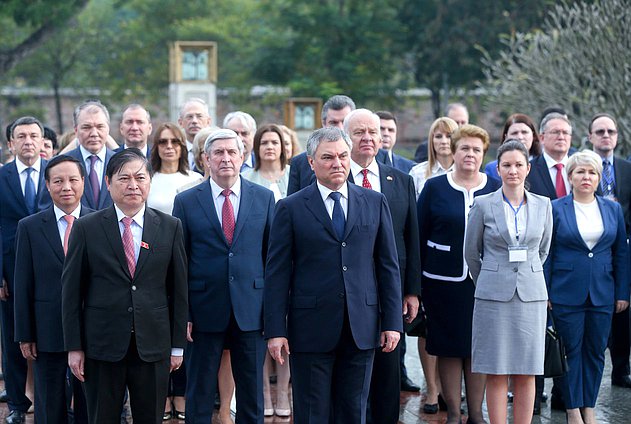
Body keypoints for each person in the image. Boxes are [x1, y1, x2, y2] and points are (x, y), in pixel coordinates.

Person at [264, 127, 402, 424]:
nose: (337, 163)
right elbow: (277, 274)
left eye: (342, 156)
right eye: (327, 157)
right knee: (313, 412)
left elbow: (387, 266)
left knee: (354, 410)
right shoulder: (290, 208)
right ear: (311, 163)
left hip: (361, 327)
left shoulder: (374, 202)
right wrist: (276, 330)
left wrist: (392, 322)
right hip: (310, 328)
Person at [61, 148, 188, 424]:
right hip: (102, 344)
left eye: (140, 178)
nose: (133, 185)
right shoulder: (87, 227)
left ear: (149, 182)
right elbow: (71, 293)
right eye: (124, 178)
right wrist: (74, 346)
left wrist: (177, 346)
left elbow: (178, 291)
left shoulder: (170, 226)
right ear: (108, 182)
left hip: (153, 343)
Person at [172, 129, 275, 423]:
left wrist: (272, 311)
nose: (226, 158)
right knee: (200, 391)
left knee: (252, 392)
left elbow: (272, 259)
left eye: (232, 152)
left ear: (243, 157)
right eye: (218, 153)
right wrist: (185, 313)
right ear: (206, 159)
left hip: (252, 309)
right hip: (204, 309)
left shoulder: (264, 198)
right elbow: (180, 262)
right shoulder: (187, 200)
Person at [465, 140, 552, 424]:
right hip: (493, 297)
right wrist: (492, 278)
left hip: (530, 295)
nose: (513, 170)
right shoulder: (483, 204)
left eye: (518, 165)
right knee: (497, 369)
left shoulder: (543, 205)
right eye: (506, 165)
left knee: (527, 370)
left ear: (528, 168)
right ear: (498, 169)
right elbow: (471, 253)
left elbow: (543, 250)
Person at [417, 124, 500, 424]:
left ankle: (476, 414)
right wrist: (415, 287)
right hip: (442, 282)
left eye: (477, 150)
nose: (470, 154)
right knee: (448, 347)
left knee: (477, 348)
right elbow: (418, 235)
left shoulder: (494, 188)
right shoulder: (435, 187)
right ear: (453, 151)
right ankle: (452, 412)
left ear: (483, 155)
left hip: (484, 283)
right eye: (464, 148)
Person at [344, 109, 421, 422]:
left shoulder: (400, 180)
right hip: (346, 290)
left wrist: (412, 290)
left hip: (391, 290)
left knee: (388, 370)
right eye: (359, 132)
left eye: (372, 132)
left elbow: (411, 237)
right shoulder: (332, 177)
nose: (367, 138)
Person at [545, 150, 629, 424]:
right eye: (580, 172)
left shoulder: (612, 209)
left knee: (595, 352)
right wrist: (545, 292)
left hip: (603, 293)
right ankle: (572, 409)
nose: (586, 176)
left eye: (592, 172)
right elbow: (547, 253)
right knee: (570, 351)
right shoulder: (556, 208)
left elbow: (621, 254)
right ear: (570, 177)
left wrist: (622, 293)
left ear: (598, 178)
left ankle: (588, 407)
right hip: (565, 292)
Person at [14, 155, 92, 424]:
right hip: (47, 328)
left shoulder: (100, 223)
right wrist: (25, 334)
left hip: (92, 328)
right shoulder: (30, 227)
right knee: (49, 404)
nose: (66, 186)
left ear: (83, 182)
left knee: (91, 404)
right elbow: (23, 284)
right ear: (47, 185)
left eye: (73, 179)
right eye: (58, 181)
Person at [0, 116, 52, 424]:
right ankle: (18, 405)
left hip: (51, 270)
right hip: (11, 270)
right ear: (11, 143)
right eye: (22, 136)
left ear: (42, 140)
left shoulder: (56, 173)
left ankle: (56, 402)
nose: (28, 141)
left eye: (34, 135)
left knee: (54, 337)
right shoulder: (2, 176)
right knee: (13, 337)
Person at [587, 113, 631, 389]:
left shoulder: (627, 169)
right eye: (600, 131)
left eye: (611, 131)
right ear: (590, 136)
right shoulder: (581, 166)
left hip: (622, 246)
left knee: (623, 309)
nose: (606, 135)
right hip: (591, 247)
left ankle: (621, 369)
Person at [287, 94, 356, 195]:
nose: (340, 127)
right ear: (323, 123)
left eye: (344, 122)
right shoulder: (300, 163)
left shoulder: (374, 157)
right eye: (333, 122)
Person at [65, 100, 115, 210]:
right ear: (76, 130)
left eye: (100, 126)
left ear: (108, 129)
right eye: (86, 127)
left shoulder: (120, 163)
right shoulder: (62, 165)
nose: (94, 133)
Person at [146, 123, 202, 214]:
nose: (169, 146)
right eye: (163, 142)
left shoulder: (196, 179)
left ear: (182, 147)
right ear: (157, 147)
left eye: (175, 141)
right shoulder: (147, 180)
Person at [526, 112, 572, 200]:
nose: (561, 137)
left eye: (565, 133)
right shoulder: (529, 170)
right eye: (556, 132)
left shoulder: (581, 168)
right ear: (542, 138)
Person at [409, 117, 458, 199]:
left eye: (449, 136)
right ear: (431, 140)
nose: (444, 141)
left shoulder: (466, 173)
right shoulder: (417, 173)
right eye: (438, 136)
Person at [484, 113, 541, 181]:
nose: (520, 137)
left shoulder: (544, 166)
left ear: (533, 135)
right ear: (506, 137)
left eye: (524, 132)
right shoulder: (492, 169)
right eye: (514, 133)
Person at [242, 124, 290, 202]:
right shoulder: (244, 178)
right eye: (264, 143)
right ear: (257, 148)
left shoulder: (294, 174)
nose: (270, 147)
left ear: (282, 147)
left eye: (275, 143)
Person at [178, 98, 212, 170]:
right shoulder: (175, 151)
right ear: (180, 122)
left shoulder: (214, 149)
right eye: (189, 117)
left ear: (208, 121)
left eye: (199, 116)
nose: (194, 121)